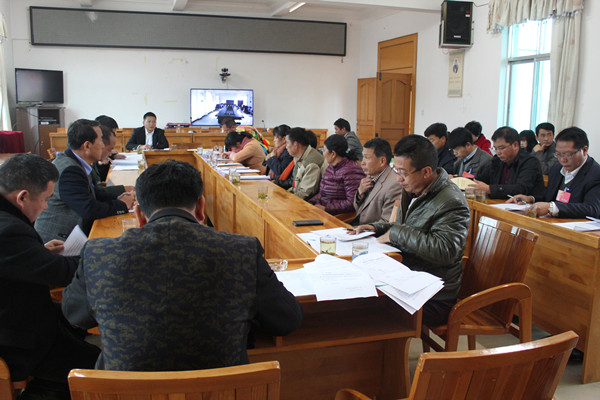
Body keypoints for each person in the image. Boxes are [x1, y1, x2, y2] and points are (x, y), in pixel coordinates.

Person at [61, 160, 303, 371]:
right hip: (221, 391)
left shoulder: (99, 254)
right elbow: (287, 320)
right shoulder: (242, 251)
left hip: (127, 391)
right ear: (201, 207)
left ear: (139, 215)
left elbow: (75, 314)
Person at [0, 154, 99, 400]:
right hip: (16, 338)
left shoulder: (7, 219)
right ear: (22, 197)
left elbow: (13, 261)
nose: (46, 207)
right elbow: (62, 272)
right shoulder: (8, 231)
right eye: (45, 199)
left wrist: (37, 253)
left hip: (21, 309)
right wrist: (105, 255)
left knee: (75, 319)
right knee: (98, 369)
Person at [353, 135, 470, 326]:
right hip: (408, 278)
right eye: (396, 170)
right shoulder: (414, 188)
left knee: (364, 311)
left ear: (426, 172)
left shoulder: (451, 201)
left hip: (434, 294)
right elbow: (409, 227)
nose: (398, 178)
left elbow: (445, 250)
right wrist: (376, 227)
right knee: (355, 294)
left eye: (403, 173)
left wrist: (395, 233)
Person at [35, 119, 135, 241]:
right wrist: (122, 204)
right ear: (87, 145)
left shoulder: (75, 162)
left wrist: (117, 197)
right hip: (59, 241)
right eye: (100, 140)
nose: (103, 145)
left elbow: (92, 192)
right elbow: (88, 209)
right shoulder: (69, 170)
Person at [508, 127, 600, 218]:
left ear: (584, 150)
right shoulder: (557, 168)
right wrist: (531, 199)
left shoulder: (596, 173)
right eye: (558, 154)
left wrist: (552, 208)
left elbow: (592, 208)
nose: (563, 160)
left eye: (568, 154)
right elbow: (549, 198)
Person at [471, 126, 545, 200]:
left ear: (515, 145)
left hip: (523, 205)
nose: (498, 152)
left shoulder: (530, 162)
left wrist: (490, 189)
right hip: (498, 203)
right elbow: (481, 179)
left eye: (501, 148)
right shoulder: (496, 161)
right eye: (495, 148)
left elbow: (521, 188)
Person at [309, 134, 365, 214]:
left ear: (333, 154)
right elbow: (322, 194)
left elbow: (352, 202)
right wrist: (310, 202)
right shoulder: (330, 167)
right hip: (324, 211)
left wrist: (326, 208)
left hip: (338, 215)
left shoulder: (352, 170)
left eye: (324, 151)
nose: (323, 154)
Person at [352, 138, 403, 225]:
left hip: (371, 230)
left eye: (367, 158)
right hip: (358, 224)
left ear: (382, 161)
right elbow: (358, 209)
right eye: (363, 157)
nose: (362, 162)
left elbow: (387, 223)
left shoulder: (394, 184)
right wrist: (360, 193)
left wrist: (363, 229)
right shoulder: (370, 175)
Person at [90, 125, 134, 196]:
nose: (111, 153)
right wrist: (124, 189)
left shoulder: (90, 163)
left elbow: (96, 189)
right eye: (109, 149)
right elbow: (92, 196)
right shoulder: (76, 168)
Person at [285, 127, 326, 200]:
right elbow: (295, 188)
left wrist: (286, 199)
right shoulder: (298, 157)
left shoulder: (311, 163)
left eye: (287, 143)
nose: (286, 146)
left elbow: (304, 194)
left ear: (296, 145)